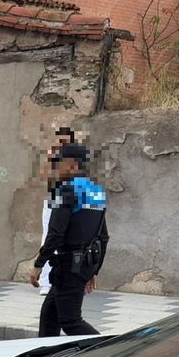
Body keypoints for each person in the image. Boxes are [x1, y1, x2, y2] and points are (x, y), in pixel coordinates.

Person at [32, 142, 108, 337]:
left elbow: (55, 234)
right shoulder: (97, 192)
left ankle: (108, 352)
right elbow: (103, 236)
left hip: (68, 266)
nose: (56, 167)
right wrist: (93, 270)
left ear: (73, 165)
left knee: (71, 322)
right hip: (82, 265)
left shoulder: (63, 191)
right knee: (49, 317)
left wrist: (39, 264)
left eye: (59, 162)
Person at [37, 126, 78, 299]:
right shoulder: (53, 158)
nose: (62, 143)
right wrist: (52, 156)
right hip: (53, 201)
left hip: (71, 202)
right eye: (59, 140)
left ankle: (68, 280)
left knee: (70, 240)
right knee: (49, 237)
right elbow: (45, 177)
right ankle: (45, 282)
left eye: (65, 141)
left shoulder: (77, 158)